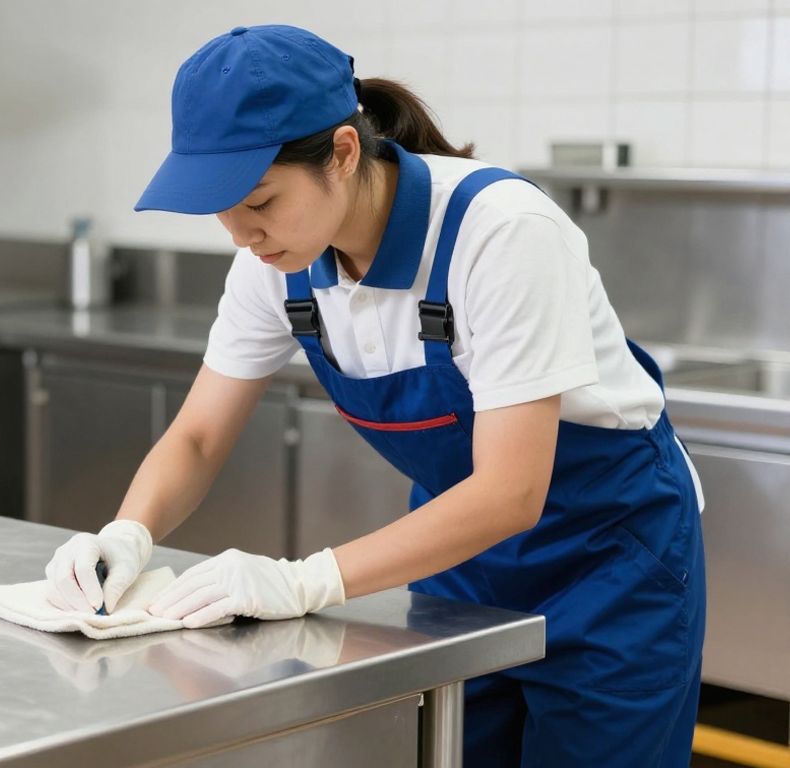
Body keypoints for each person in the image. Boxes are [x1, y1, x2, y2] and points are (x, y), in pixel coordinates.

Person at [41, 24, 706, 768]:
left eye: (259, 200)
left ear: (344, 154)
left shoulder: (501, 233)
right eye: (221, 211)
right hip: (461, 560)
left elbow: (513, 491)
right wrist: (130, 533)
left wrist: (303, 581)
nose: (241, 235)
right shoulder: (274, 262)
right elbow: (197, 436)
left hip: (610, 561)